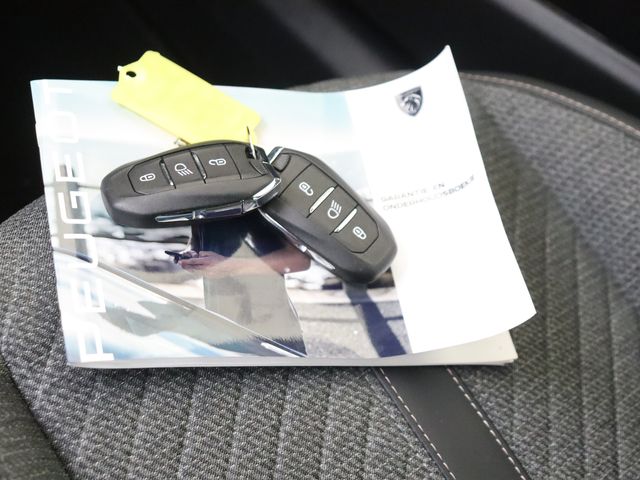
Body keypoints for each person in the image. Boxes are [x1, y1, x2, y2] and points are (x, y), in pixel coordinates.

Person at [178, 211, 310, 354]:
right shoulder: (198, 205)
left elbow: (299, 259)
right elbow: (197, 240)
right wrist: (192, 255)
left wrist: (229, 266)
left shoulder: (251, 204)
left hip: (271, 330)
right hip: (223, 327)